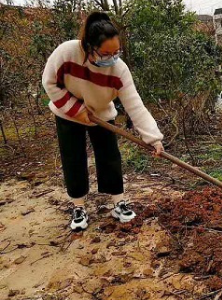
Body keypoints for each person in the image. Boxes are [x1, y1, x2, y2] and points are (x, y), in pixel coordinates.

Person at [42, 12, 164, 231]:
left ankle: (118, 203)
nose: (112, 57)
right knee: (73, 158)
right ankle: (78, 207)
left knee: (110, 157)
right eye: (106, 53)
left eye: (116, 52)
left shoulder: (119, 70)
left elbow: (134, 104)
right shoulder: (67, 53)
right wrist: (76, 109)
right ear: (89, 46)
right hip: (67, 112)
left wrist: (153, 138)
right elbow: (49, 82)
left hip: (101, 114)